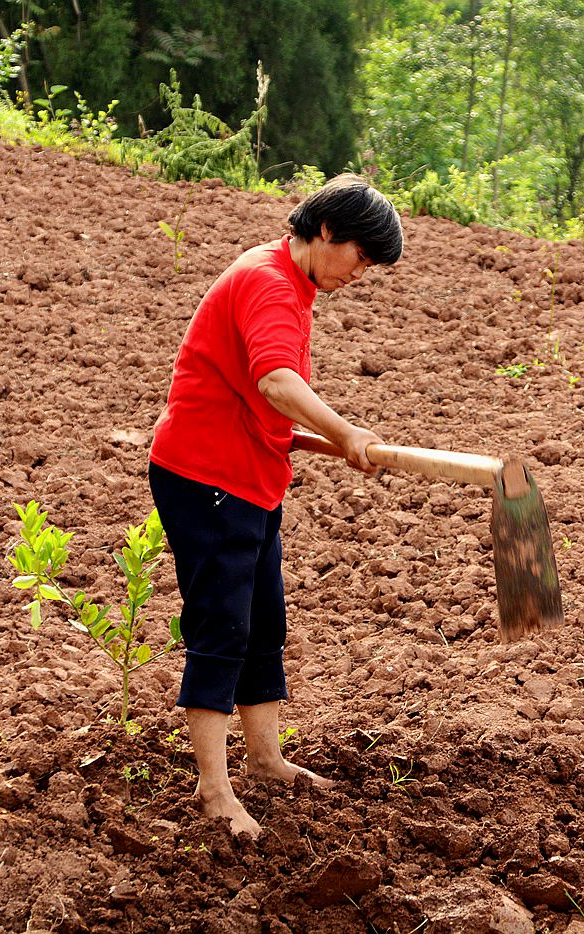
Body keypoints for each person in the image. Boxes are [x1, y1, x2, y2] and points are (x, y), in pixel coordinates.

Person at [148, 174, 403, 838]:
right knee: (222, 627)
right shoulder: (267, 280)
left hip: (249, 475)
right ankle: (213, 791)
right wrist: (346, 431)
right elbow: (274, 379)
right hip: (206, 476)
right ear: (325, 232)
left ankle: (265, 759)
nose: (362, 273)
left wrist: (329, 441)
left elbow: (259, 396)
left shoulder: (294, 283)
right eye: (361, 256)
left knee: (262, 621)